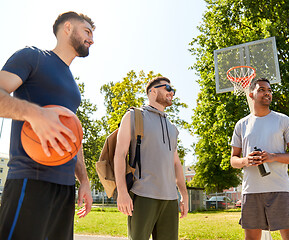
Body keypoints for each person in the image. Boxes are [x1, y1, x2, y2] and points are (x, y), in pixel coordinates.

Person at [0, 11, 95, 239]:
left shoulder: (73, 85)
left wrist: (84, 180)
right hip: (30, 179)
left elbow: (73, 135)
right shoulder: (32, 57)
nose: (92, 39)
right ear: (68, 27)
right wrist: (35, 113)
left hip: (64, 188)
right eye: (87, 31)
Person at [114, 76, 189, 240]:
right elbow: (119, 154)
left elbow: (176, 163)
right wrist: (122, 192)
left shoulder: (172, 127)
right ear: (152, 91)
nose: (171, 93)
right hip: (143, 194)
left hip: (170, 199)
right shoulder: (134, 115)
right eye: (167, 89)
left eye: (173, 90)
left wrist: (184, 195)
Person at [230, 78, 289, 240]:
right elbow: (233, 160)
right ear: (251, 94)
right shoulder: (241, 124)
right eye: (262, 89)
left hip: (280, 188)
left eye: (269, 90)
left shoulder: (283, 120)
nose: (267, 93)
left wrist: (273, 157)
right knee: (251, 237)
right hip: (251, 190)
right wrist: (246, 160)